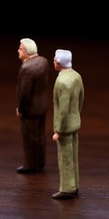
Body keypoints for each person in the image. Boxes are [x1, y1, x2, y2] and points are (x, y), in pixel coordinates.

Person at [52, 49, 84, 199]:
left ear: (59, 62)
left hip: (65, 127)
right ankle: (74, 184)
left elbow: (63, 110)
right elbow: (81, 98)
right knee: (73, 155)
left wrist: (59, 129)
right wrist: (76, 115)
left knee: (65, 158)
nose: (53, 61)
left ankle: (66, 188)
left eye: (54, 59)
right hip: (74, 122)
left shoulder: (62, 81)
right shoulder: (76, 76)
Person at [16, 38, 49, 173]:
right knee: (40, 135)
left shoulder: (27, 68)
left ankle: (30, 165)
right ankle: (40, 162)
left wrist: (21, 110)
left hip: (30, 109)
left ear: (27, 52)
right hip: (42, 106)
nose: (18, 50)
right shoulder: (43, 61)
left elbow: (25, 94)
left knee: (30, 138)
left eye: (20, 49)